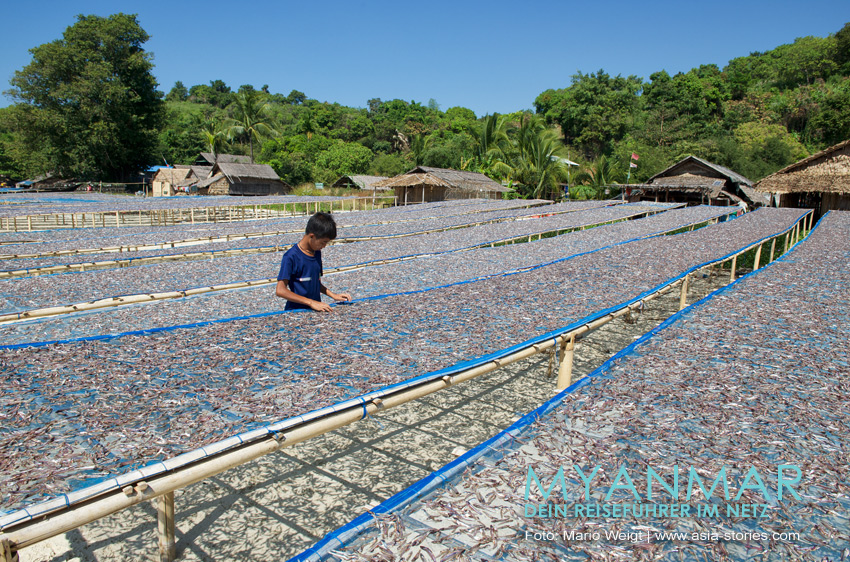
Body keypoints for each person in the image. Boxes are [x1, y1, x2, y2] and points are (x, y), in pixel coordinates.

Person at [276, 212, 351, 312]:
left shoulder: (316, 253)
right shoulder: (291, 257)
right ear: (312, 236)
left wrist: (333, 295)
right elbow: (280, 290)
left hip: (316, 310)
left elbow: (314, 282)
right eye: (323, 242)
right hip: (296, 311)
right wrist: (311, 302)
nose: (324, 246)